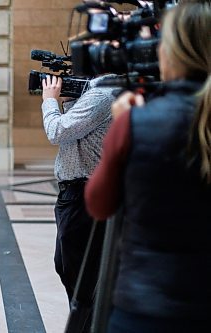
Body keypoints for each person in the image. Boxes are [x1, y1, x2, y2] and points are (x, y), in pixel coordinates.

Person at [85, 2, 211, 332]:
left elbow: (98, 204)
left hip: (145, 308)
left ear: (171, 52)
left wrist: (119, 128)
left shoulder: (136, 123)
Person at [41, 72, 118, 331]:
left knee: (82, 277)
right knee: (66, 266)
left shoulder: (101, 94)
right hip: (74, 194)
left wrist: (49, 100)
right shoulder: (94, 91)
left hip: (85, 195)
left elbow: (58, 131)